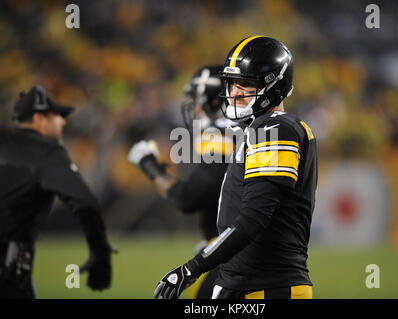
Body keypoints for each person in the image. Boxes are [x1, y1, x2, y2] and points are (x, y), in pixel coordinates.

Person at [153, 36, 318, 299]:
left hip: (266, 287)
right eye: (233, 83)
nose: (236, 91)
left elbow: (253, 219)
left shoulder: (276, 128)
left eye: (247, 83)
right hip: (244, 283)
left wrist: (193, 268)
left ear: (275, 86)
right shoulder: (259, 129)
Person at [128, 65, 234, 299]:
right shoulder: (245, 130)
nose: (194, 106)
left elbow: (187, 198)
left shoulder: (221, 136)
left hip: (237, 253)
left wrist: (149, 164)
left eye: (198, 98)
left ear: (216, 101)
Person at [0, 85, 114, 299]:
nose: (62, 122)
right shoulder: (47, 152)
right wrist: (101, 254)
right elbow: (84, 203)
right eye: (56, 116)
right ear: (38, 119)